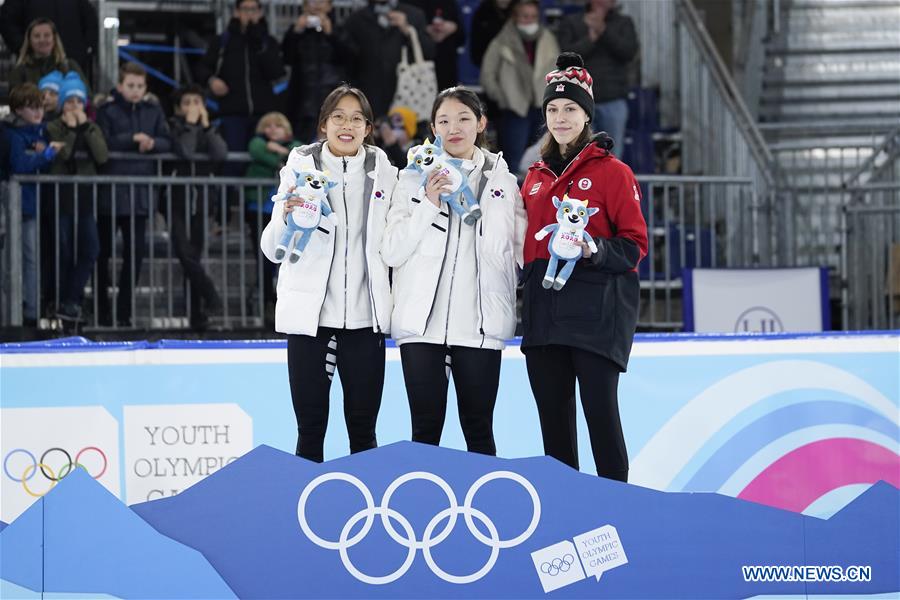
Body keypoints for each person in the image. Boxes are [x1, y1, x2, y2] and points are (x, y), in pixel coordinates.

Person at [519, 53, 648, 481]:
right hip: (544, 318)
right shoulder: (533, 176)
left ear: (587, 114)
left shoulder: (614, 173)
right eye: (552, 109)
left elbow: (634, 245)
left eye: (570, 108)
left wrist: (594, 249)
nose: (560, 117)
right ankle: (564, 516)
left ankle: (618, 514)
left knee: (601, 423)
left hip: (596, 317)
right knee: (554, 432)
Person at [382, 87, 525, 455]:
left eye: (463, 118)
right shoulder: (411, 179)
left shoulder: (504, 182)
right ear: (432, 128)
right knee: (425, 432)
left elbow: (523, 250)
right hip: (420, 327)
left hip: (479, 326)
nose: (454, 128)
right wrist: (429, 202)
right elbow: (393, 249)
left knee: (479, 433)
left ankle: (484, 510)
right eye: (443, 121)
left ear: (481, 123)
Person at [259, 85, 397, 462]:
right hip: (310, 321)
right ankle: (306, 516)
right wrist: (286, 218)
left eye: (356, 118)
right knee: (309, 432)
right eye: (338, 116)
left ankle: (367, 518)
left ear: (368, 128)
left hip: (365, 320)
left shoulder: (387, 173)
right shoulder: (299, 169)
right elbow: (272, 250)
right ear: (323, 125)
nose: (347, 125)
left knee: (364, 435)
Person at [95, 62, 172, 327]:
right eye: (131, 85)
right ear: (120, 86)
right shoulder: (106, 110)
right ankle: (101, 309)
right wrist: (132, 138)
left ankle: (123, 311)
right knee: (101, 254)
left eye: (140, 86)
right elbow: (102, 141)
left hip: (139, 195)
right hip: (109, 194)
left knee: (134, 255)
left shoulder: (154, 110)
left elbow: (167, 139)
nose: (136, 90)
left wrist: (152, 143)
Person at [46, 72, 107, 323]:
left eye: (78, 102)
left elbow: (102, 156)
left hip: (84, 200)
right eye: (69, 102)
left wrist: (85, 129)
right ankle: (59, 302)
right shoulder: (52, 127)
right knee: (63, 252)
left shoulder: (93, 127)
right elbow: (64, 156)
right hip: (61, 199)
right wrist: (71, 131)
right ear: (61, 104)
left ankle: (71, 300)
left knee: (90, 249)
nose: (74, 107)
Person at [166, 84, 227, 330]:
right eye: (187, 103)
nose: (192, 107)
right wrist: (190, 125)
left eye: (197, 102)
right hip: (177, 197)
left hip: (202, 199)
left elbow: (220, 154)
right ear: (179, 108)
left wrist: (206, 126)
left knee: (195, 255)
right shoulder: (172, 125)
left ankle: (197, 315)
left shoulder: (209, 126)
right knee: (185, 253)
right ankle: (211, 295)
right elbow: (186, 151)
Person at [196, 0, 285, 158]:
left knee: (261, 158)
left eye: (253, 9)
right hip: (232, 113)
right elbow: (202, 68)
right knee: (234, 159)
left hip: (263, 114)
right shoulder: (223, 41)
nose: (249, 13)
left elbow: (277, 72)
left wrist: (257, 38)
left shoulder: (267, 42)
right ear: (236, 12)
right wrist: (212, 80)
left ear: (260, 12)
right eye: (245, 9)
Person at [5, 83, 64, 325]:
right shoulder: (10, 133)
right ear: (18, 110)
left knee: (31, 258)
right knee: (10, 258)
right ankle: (10, 313)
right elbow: (19, 165)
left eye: (39, 107)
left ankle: (30, 312)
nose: (38, 112)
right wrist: (44, 155)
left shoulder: (41, 132)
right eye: (31, 108)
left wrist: (41, 156)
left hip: (30, 204)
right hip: (10, 204)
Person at [480, 0, 559, 175]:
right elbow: (488, 75)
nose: (529, 20)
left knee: (543, 161)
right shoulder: (501, 41)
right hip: (514, 111)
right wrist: (502, 97)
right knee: (512, 164)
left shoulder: (548, 39)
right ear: (515, 17)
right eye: (525, 16)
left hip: (542, 108)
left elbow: (557, 70)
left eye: (533, 16)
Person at [556, 0, 639, 145]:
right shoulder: (572, 22)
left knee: (612, 157)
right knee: (580, 155)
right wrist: (591, 39)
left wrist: (604, 31)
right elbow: (566, 58)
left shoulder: (624, 22)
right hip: (580, 100)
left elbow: (629, 52)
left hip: (613, 99)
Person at [245, 111, 302, 315]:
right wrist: (277, 154)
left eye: (277, 125)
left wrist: (276, 150)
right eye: (267, 126)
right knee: (263, 258)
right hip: (258, 209)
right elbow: (257, 150)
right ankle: (267, 302)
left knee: (285, 258)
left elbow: (295, 157)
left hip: (288, 213)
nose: (272, 130)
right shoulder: (258, 143)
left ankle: (282, 304)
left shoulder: (296, 146)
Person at [340, 0, 434, 119]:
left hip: (408, 96)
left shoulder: (414, 14)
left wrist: (407, 29)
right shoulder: (356, 19)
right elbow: (346, 61)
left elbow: (429, 52)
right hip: (368, 99)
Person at [281, 0, 348, 142]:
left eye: (322, 1)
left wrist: (331, 34)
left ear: (330, 6)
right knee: (302, 151)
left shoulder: (340, 29)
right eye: (312, 1)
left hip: (332, 99)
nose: (317, 5)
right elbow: (286, 58)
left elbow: (350, 58)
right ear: (304, 6)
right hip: (302, 103)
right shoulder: (297, 31)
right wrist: (296, 31)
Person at [0, 0, 98, 82]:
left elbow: (90, 19)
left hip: (70, 63)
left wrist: (86, 49)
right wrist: (23, 47)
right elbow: (6, 19)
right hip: (33, 68)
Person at [8, 18, 89, 92]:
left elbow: (87, 96)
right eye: (37, 36)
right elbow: (16, 102)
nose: (42, 40)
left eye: (47, 35)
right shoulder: (19, 72)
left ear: (54, 39)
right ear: (29, 41)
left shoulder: (70, 67)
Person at [408, 0, 464, 91]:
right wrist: (425, 30)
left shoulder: (449, 3)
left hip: (446, 66)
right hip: (418, 69)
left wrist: (453, 27)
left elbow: (462, 37)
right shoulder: (411, 4)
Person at [469, 0, 513, 68]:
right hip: (489, 64)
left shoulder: (520, 10)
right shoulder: (482, 12)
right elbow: (476, 43)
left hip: (516, 65)